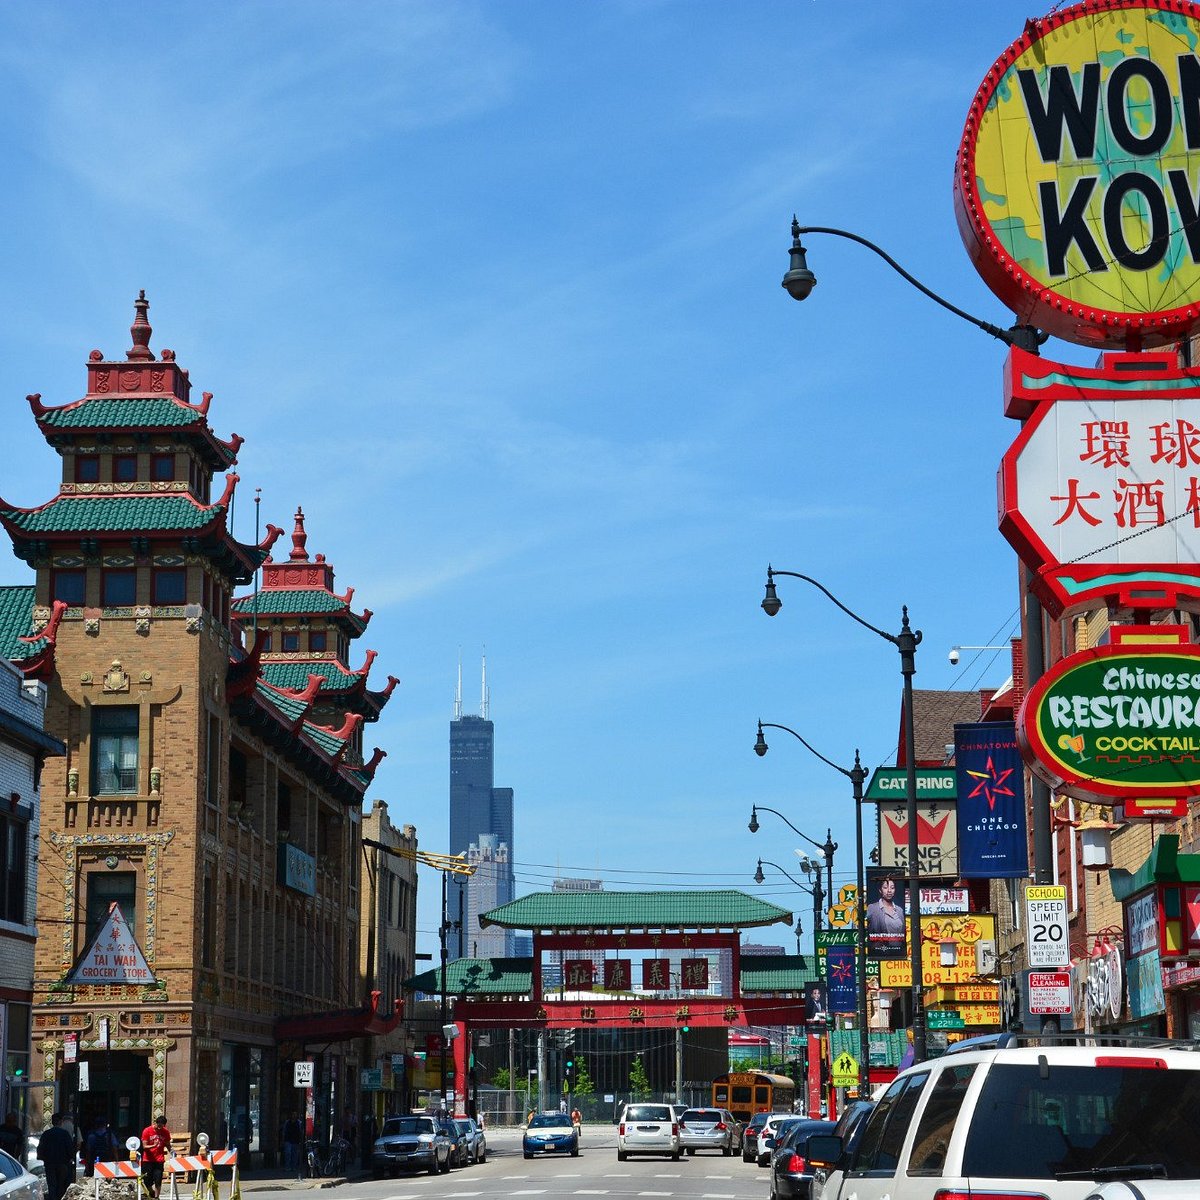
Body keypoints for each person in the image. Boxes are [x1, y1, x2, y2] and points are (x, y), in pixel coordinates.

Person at [37, 1112, 77, 1200]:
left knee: (52, 1184)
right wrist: (71, 1158)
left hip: (50, 1163)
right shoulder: (65, 1134)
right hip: (63, 1163)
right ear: (61, 1122)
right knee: (61, 1184)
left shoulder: (46, 1134)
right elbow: (69, 1148)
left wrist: (42, 1158)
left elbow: (40, 1148)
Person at [865, 874, 906, 957]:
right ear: (880, 890)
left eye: (892, 887)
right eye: (885, 887)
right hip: (880, 951)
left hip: (899, 952)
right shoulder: (873, 908)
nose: (889, 891)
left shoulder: (900, 910)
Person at [139, 1114, 171, 1199]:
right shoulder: (147, 1131)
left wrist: (172, 1151)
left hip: (159, 1159)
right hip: (148, 1159)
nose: (160, 1128)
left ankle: (157, 1197)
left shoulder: (165, 1132)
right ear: (156, 1123)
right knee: (147, 1180)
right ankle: (151, 1191)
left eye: (162, 1126)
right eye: (159, 1126)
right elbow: (144, 1146)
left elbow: (168, 1144)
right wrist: (153, 1145)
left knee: (158, 1179)